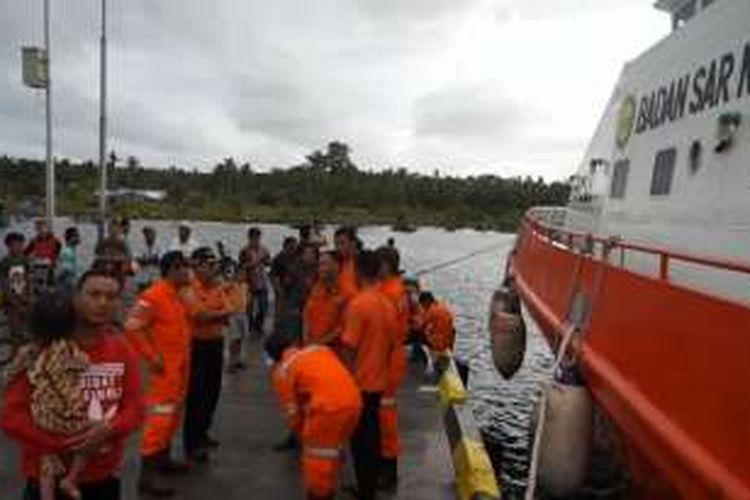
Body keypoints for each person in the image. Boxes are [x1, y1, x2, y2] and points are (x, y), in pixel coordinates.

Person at [1, 270, 143, 500]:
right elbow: (11, 417)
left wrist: (109, 428)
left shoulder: (122, 350)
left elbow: (135, 410)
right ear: (75, 298)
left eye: (111, 296)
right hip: (46, 478)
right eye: (94, 294)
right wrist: (67, 442)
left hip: (104, 478)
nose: (103, 302)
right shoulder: (41, 352)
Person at [8, 291, 90, 500]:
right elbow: (83, 365)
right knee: (89, 444)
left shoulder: (32, 351)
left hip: (44, 416)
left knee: (46, 460)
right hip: (72, 415)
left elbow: (13, 372)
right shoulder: (71, 349)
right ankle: (71, 479)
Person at [124, 251, 192, 497]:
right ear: (173, 269)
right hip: (164, 372)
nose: (189, 272)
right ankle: (146, 478)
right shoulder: (153, 295)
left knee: (172, 418)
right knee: (159, 422)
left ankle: (163, 461)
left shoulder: (176, 295)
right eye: (185, 268)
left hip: (180, 370)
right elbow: (131, 327)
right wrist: (152, 357)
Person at [265, 333, 362, 500]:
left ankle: (320, 494)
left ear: (273, 356)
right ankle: (331, 487)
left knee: (317, 458)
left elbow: (293, 412)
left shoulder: (284, 370)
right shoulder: (317, 349)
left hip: (328, 409)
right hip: (354, 402)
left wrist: (302, 435)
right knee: (334, 450)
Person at [340, 250, 398, 500]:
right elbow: (390, 346)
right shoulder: (387, 304)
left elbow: (350, 348)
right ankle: (368, 489)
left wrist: (344, 382)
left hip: (359, 383)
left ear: (359, 271)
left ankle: (365, 491)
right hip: (378, 382)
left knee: (360, 443)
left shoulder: (359, 304)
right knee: (372, 439)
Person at [181, 247, 232, 463]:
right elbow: (199, 315)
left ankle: (203, 434)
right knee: (197, 395)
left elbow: (232, 307)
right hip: (197, 345)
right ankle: (192, 444)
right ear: (197, 266)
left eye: (215, 265)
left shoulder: (218, 286)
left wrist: (217, 314)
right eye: (209, 265)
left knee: (212, 391)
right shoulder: (188, 289)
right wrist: (219, 313)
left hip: (215, 343)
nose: (214, 269)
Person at [375, 246, 410, 492]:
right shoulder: (392, 289)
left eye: (378, 263)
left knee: (385, 416)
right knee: (381, 415)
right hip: (387, 357)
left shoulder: (392, 292)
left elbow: (387, 331)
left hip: (387, 359)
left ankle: (389, 472)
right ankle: (384, 467)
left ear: (386, 265)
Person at [303, 251, 345, 347]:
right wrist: (306, 341)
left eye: (324, 264)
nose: (320, 269)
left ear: (337, 266)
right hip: (311, 347)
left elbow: (342, 328)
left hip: (332, 351)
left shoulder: (346, 293)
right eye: (319, 265)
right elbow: (306, 314)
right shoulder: (316, 288)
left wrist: (319, 343)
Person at [270, 236, 305, 340]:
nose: (293, 249)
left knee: (293, 314)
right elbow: (274, 277)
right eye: (291, 247)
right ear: (285, 246)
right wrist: (280, 291)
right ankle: (278, 333)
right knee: (280, 314)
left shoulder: (297, 257)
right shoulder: (278, 259)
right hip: (282, 290)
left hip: (295, 291)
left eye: (294, 247)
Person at [238, 227, 270, 336]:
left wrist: (265, 260)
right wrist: (254, 263)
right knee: (249, 308)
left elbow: (268, 263)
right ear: (249, 238)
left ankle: (258, 325)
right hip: (249, 282)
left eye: (258, 238)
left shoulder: (264, 249)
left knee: (264, 307)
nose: (256, 240)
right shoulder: (244, 251)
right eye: (254, 238)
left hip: (262, 281)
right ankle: (252, 326)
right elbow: (241, 266)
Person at [1, 232, 31, 337]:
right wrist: (11, 298)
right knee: (15, 328)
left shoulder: (25, 259)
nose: (18, 247)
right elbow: (3, 282)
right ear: (8, 246)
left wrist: (28, 294)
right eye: (15, 245)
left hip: (24, 295)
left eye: (20, 245)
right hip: (11, 299)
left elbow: (28, 277)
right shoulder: (5, 262)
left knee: (27, 324)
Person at [225, 262, 250, 373]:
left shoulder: (245, 285)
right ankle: (231, 362)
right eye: (240, 274)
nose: (243, 276)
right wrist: (227, 307)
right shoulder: (231, 284)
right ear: (235, 274)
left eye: (244, 274)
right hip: (233, 315)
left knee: (240, 339)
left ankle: (238, 360)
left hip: (243, 314)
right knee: (234, 339)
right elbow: (222, 292)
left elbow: (247, 297)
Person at [25, 219, 62, 290]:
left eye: (42, 227)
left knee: (50, 282)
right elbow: (26, 253)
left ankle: (50, 289)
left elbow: (59, 251)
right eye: (38, 228)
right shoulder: (34, 240)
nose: (41, 230)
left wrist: (54, 260)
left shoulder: (55, 240)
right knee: (38, 282)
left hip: (50, 266)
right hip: (38, 266)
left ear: (46, 228)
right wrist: (30, 259)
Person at [334, 226, 359, 302]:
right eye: (336, 244)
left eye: (342, 243)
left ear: (353, 243)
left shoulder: (364, 263)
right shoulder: (336, 264)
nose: (338, 248)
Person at [135, 226, 161, 291]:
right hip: (143, 272)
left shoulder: (159, 245)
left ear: (154, 235)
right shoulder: (140, 244)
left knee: (155, 289)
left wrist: (147, 260)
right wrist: (151, 259)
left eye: (150, 233)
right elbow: (138, 260)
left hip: (155, 272)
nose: (147, 235)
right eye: (146, 234)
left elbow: (159, 260)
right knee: (142, 290)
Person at [56, 227, 82, 291]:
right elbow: (65, 270)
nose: (78, 238)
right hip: (68, 284)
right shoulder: (66, 251)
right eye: (76, 236)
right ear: (70, 238)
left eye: (78, 235)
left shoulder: (74, 251)